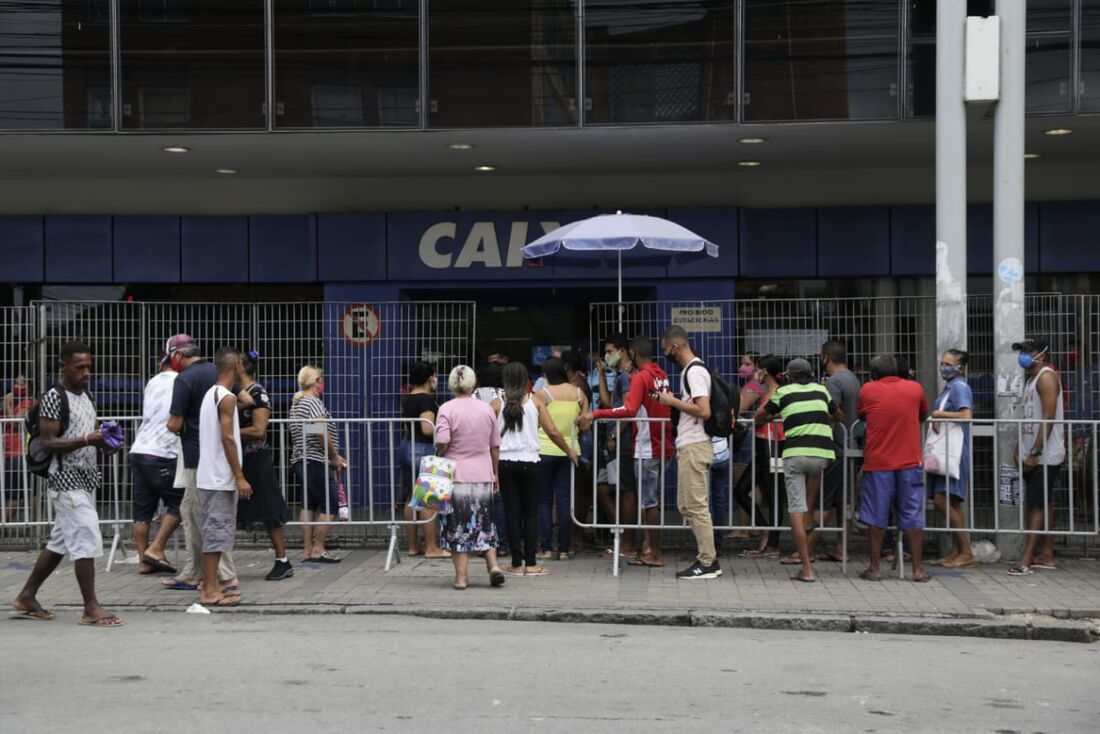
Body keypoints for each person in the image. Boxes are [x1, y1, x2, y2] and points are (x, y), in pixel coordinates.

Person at [10, 342, 122, 626]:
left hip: (85, 479)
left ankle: (26, 596)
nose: (86, 373)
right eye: (80, 367)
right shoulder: (53, 397)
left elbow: (90, 433)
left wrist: (106, 443)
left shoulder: (86, 396)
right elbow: (49, 442)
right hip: (65, 480)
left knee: (60, 542)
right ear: (63, 366)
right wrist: (87, 440)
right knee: (86, 536)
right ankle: (91, 608)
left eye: (89, 367)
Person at [582, 335, 674, 567]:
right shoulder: (660, 375)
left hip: (646, 446)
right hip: (660, 443)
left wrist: (596, 415)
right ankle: (649, 548)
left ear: (631, 353)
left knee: (648, 501)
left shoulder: (641, 377)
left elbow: (629, 409)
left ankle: (653, 552)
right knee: (651, 500)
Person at [164, 335, 238, 593]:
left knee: (204, 517)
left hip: (197, 458)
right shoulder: (215, 373)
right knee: (193, 512)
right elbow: (245, 401)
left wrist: (182, 425)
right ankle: (194, 571)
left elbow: (173, 423)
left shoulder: (184, 379)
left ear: (177, 356)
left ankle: (223, 576)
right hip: (217, 459)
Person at [493, 361, 577, 577]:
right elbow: (553, 432)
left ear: (505, 380)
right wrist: (569, 451)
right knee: (531, 513)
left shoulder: (496, 404)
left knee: (512, 513)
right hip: (530, 463)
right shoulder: (536, 402)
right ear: (525, 381)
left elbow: (487, 436)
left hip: (504, 463)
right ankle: (531, 563)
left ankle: (515, 563)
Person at [757, 358, 837, 583]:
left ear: (788, 377)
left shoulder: (784, 392)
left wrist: (775, 416)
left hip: (795, 454)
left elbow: (759, 416)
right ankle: (810, 518)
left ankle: (807, 568)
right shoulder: (822, 390)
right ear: (811, 374)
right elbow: (837, 415)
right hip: (822, 455)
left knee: (796, 508)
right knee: (811, 493)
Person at [856, 354, 930, 582]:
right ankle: (918, 569)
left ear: (874, 374)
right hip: (910, 461)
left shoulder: (868, 390)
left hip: (879, 463)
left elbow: (862, 415)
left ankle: (875, 568)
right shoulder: (915, 389)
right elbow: (923, 415)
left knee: (876, 516)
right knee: (912, 514)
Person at [655, 325, 720, 580]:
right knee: (686, 505)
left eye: (665, 349)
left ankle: (708, 562)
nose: (665, 354)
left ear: (675, 346)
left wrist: (671, 401)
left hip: (695, 445)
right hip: (689, 445)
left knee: (696, 505)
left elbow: (704, 411)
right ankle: (706, 557)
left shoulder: (694, 372)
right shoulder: (690, 371)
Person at [435, 365, 504, 589]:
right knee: (485, 521)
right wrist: (495, 474)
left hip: (457, 475)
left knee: (458, 526)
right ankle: (493, 566)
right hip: (483, 473)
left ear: (452, 384)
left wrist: (439, 455)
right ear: (473, 383)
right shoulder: (486, 409)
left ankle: (462, 578)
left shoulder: (446, 408)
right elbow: (495, 446)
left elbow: (443, 440)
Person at [195, 348, 251, 607]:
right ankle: (208, 589)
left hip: (209, 475)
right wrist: (239, 476)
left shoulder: (211, 394)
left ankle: (212, 585)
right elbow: (227, 438)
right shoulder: (226, 398)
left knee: (215, 534)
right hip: (219, 477)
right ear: (236, 365)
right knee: (217, 535)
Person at [1008, 339, 1066, 576]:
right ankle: (1047, 554)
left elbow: (1048, 417)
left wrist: (1035, 452)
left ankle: (1027, 559)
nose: (1023, 356)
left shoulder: (1046, 377)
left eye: (1027, 352)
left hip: (1044, 455)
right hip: (1033, 452)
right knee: (1043, 502)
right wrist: (1020, 449)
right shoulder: (1032, 379)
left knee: (1036, 505)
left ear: (1040, 354)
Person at [801, 340, 861, 563]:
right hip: (850, 447)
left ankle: (805, 551)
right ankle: (841, 548)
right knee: (844, 501)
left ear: (825, 356)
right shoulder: (853, 379)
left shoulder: (834, 382)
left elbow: (831, 416)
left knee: (822, 501)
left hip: (834, 448)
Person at [237, 351, 293, 580]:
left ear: (240, 367)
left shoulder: (257, 393)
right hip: (238, 459)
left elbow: (259, 429)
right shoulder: (236, 393)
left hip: (256, 459)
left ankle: (283, 560)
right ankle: (218, 563)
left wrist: (229, 432)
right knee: (228, 511)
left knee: (269, 510)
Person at [129, 358, 183, 575]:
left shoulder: (152, 382)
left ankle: (144, 561)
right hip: (164, 451)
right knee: (182, 501)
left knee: (142, 510)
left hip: (140, 449)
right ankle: (156, 548)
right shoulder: (182, 381)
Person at [289, 364, 347, 563]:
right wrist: (335, 456)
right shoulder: (312, 403)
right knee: (330, 503)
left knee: (309, 504)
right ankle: (318, 548)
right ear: (316, 382)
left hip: (300, 460)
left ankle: (307, 549)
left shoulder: (296, 404)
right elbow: (320, 432)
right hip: (315, 460)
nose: (323, 383)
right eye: (321, 379)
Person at [536, 356, 588, 560]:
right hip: (571, 452)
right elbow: (585, 424)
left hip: (545, 450)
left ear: (547, 374)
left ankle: (546, 548)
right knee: (565, 500)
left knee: (544, 501)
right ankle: (565, 549)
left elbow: (539, 424)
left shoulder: (542, 394)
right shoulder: (579, 393)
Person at [928, 349, 975, 569]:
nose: (943, 367)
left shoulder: (959, 387)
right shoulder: (949, 388)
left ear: (960, 367)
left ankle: (965, 551)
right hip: (945, 450)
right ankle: (957, 550)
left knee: (942, 499)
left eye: (948, 363)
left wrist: (939, 415)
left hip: (953, 452)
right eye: (942, 363)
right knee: (950, 501)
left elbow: (966, 415)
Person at [735, 355, 786, 559]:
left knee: (773, 495)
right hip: (762, 449)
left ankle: (773, 544)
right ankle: (767, 530)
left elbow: (760, 417)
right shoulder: (768, 392)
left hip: (773, 448)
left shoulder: (777, 393)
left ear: (764, 371)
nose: (756, 373)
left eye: (757, 369)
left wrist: (761, 417)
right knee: (740, 491)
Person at [593, 334, 638, 558]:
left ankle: (627, 545)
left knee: (625, 491)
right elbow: (609, 403)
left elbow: (629, 410)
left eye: (610, 351)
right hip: (613, 439)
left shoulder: (628, 377)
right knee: (604, 488)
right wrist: (602, 374)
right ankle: (619, 535)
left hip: (623, 440)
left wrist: (615, 435)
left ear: (622, 351)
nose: (606, 355)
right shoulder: (619, 376)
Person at [399, 360, 448, 559]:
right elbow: (427, 428)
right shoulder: (426, 400)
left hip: (406, 447)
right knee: (429, 499)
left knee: (411, 497)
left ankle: (412, 546)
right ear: (429, 378)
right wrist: (443, 431)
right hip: (423, 449)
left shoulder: (408, 398)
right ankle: (431, 547)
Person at [3, 374, 34, 522]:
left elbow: (17, 423)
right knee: (13, 498)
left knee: (17, 499)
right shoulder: (15, 399)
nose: (19, 384)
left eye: (23, 381)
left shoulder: (28, 401)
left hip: (21, 452)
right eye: (17, 380)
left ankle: (33, 532)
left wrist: (7, 404)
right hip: (10, 452)